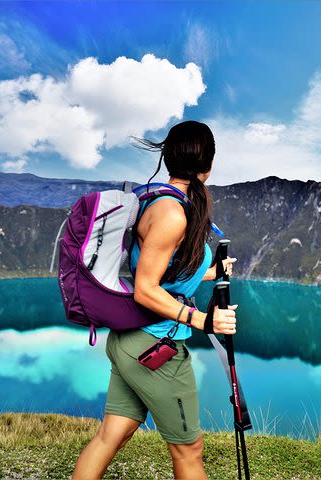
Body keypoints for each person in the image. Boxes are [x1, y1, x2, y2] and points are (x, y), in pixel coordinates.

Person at [72, 120, 239, 480]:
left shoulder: (160, 200)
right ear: (207, 166)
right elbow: (146, 288)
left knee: (111, 435)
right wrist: (202, 321)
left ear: (168, 159)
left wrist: (213, 272)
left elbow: (166, 273)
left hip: (131, 341)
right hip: (155, 349)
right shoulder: (171, 213)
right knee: (189, 449)